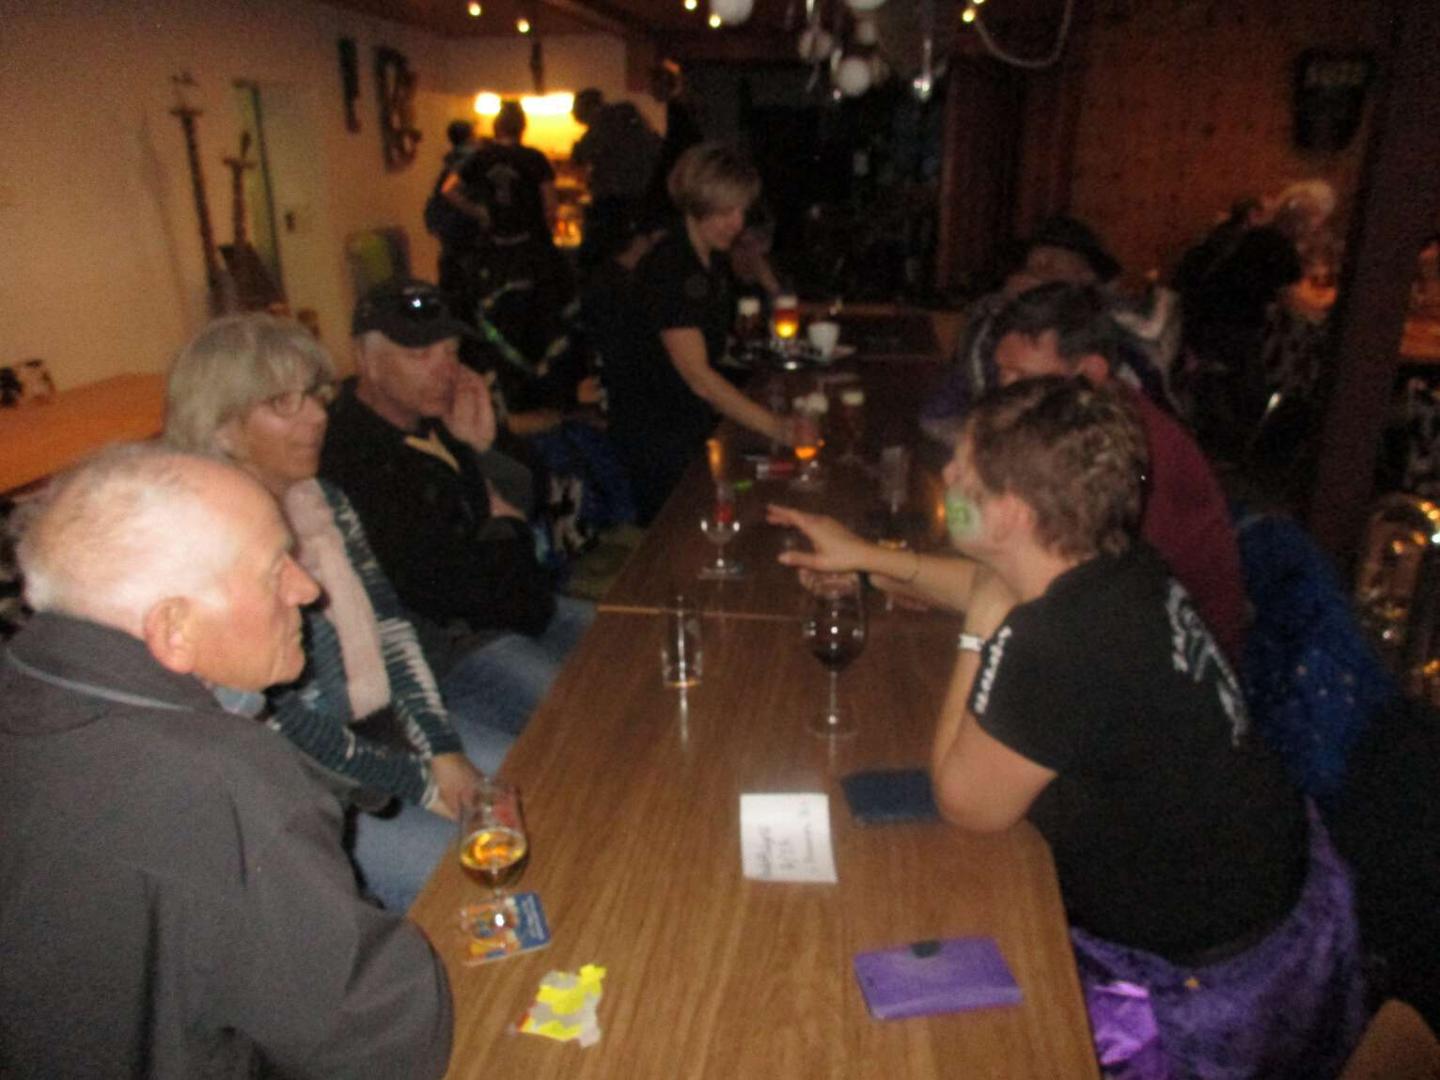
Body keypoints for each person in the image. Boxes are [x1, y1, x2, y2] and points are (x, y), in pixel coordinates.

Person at [917, 377, 1363, 1077]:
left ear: (1009, 515)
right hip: (1284, 902)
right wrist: (865, 560)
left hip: (1210, 988)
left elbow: (962, 802)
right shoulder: (1120, 565)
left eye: (962, 471)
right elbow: (1003, 593)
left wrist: (978, 630)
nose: (945, 477)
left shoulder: (1059, 643)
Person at [0, 445, 452, 1078]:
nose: (308, 589)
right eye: (274, 570)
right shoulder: (221, 775)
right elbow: (381, 1044)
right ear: (174, 629)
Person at [166, 312, 512, 910]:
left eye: (314, 395)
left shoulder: (322, 500)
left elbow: (390, 627)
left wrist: (444, 750)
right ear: (221, 428)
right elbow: (281, 720)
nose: (318, 416)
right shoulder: (206, 543)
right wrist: (425, 785)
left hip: (382, 730)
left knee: (527, 795)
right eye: (284, 403)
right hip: (306, 785)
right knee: (461, 875)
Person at [773, 282, 1247, 664]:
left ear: (1091, 372)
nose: (1003, 391)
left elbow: (1042, 599)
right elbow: (1012, 576)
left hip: (1162, 676)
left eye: (1021, 376)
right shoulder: (1079, 434)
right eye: (1002, 373)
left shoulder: (1126, 458)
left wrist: (880, 571)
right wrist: (870, 572)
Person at [320, 277, 594, 739]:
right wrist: (507, 530)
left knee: (635, 652)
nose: (445, 370)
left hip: (522, 606)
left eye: (450, 352)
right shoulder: (350, 452)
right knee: (585, 716)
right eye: (420, 355)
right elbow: (448, 586)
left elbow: (533, 501)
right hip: (457, 649)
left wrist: (488, 447)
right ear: (365, 359)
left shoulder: (438, 419)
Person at [607, 141, 811, 522]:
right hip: (657, 436)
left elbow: (715, 349)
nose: (737, 223)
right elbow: (699, 378)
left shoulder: (707, 260)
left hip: (683, 425)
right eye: (726, 211)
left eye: (741, 210)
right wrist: (777, 427)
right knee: (685, 534)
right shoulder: (673, 266)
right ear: (697, 203)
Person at [448, 100, 572, 366]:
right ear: (522, 128)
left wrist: (479, 212)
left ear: (497, 126)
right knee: (537, 311)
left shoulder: (481, 157)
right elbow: (550, 205)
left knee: (497, 310)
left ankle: (502, 365)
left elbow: (449, 190)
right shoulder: (534, 158)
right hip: (530, 250)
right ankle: (537, 366)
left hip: (495, 250)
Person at [570, 86, 661, 271]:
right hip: (641, 197)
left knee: (597, 260)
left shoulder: (602, 123)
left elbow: (580, 156)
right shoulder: (631, 118)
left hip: (611, 202)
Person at [429, 118, 484, 314]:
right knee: (470, 290)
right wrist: (480, 213)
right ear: (470, 136)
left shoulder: (449, 163)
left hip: (450, 235)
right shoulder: (470, 161)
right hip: (467, 234)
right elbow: (450, 192)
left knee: (452, 288)